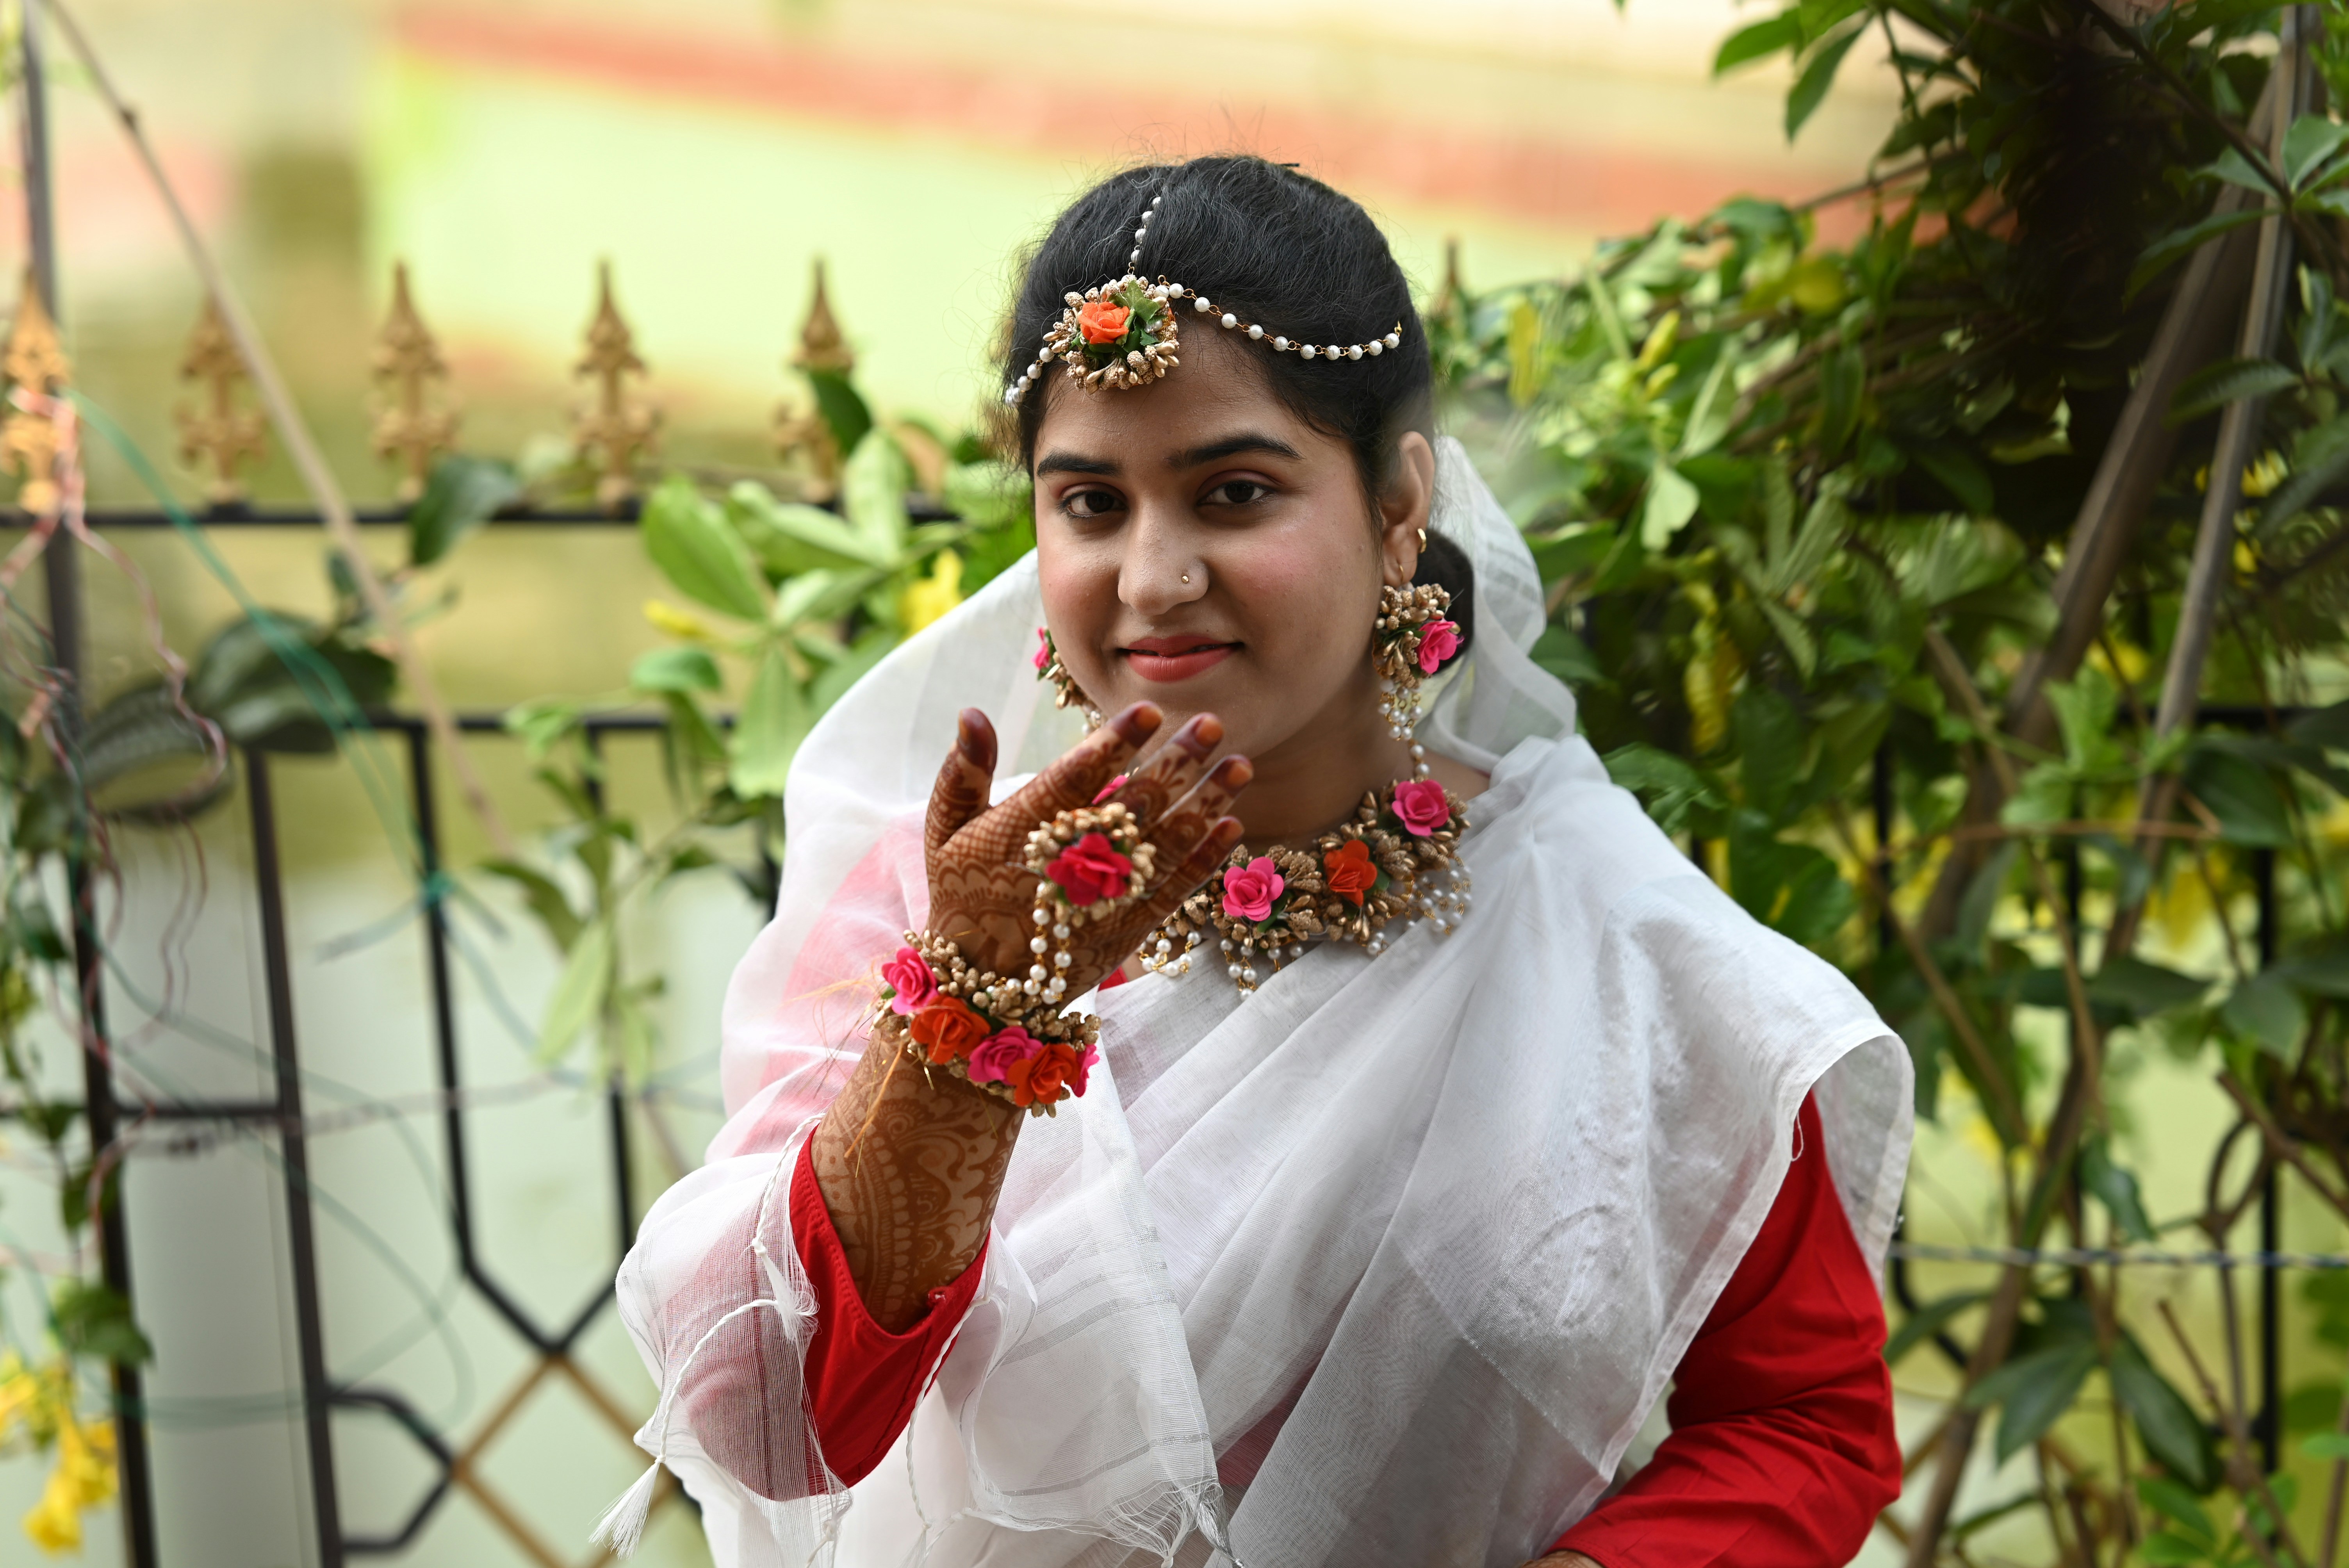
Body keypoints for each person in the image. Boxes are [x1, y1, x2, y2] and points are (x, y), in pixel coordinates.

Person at [604, 157, 1912, 1568]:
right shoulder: (945, 906)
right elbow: (769, 1429)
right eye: (1091, 505)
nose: (1154, 578)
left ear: (1399, 498)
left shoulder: (1609, 940)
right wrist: (972, 1021)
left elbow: (1806, 1419)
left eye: (1232, 492)